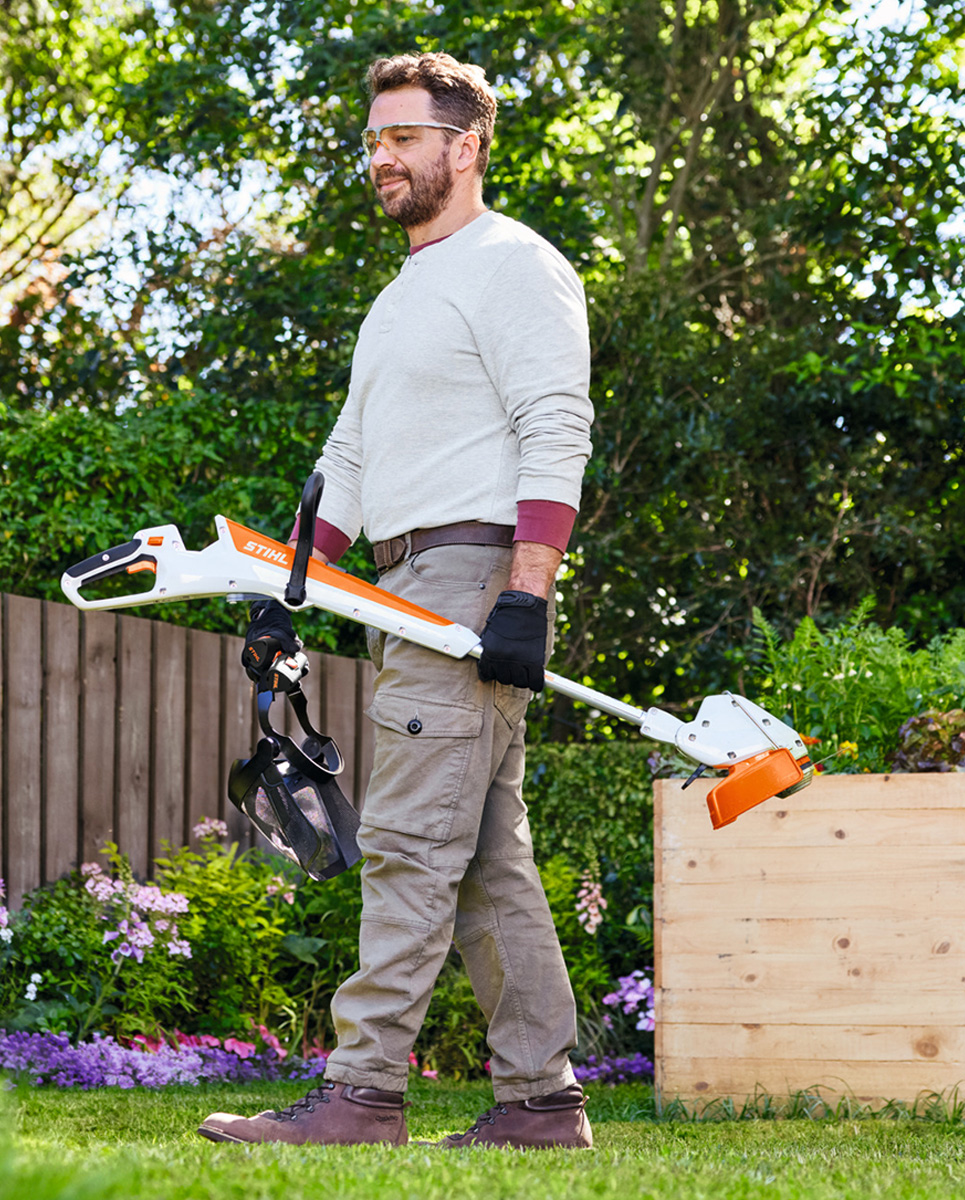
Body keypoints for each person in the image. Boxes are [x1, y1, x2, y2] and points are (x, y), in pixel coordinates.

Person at [199, 50, 595, 1150]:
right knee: (481, 858)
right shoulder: (403, 295)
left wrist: (524, 596)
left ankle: (363, 1094)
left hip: (470, 576)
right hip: (405, 581)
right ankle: (540, 1105)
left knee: (416, 846)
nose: (380, 157)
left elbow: (555, 428)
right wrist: (290, 589)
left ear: (464, 147)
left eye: (403, 138)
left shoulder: (514, 264)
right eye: (373, 139)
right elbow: (353, 459)